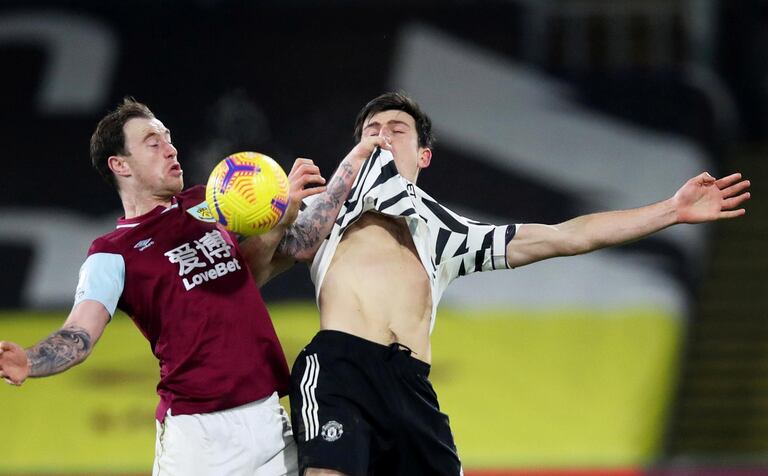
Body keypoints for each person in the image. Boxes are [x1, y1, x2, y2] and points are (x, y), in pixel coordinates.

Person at [285, 92, 752, 476]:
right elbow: (287, 248)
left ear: (423, 155)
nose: (382, 136)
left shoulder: (449, 233)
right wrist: (291, 201)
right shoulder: (326, 214)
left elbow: (567, 236)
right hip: (341, 365)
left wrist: (671, 210)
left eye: (396, 130)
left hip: (410, 386)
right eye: (372, 131)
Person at [0, 98, 389, 476]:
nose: (170, 148)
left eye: (167, 138)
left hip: (268, 420)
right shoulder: (111, 254)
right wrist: (31, 360)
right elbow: (79, 332)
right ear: (120, 165)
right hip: (201, 439)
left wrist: (338, 173)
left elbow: (273, 259)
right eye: (152, 142)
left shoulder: (210, 203)